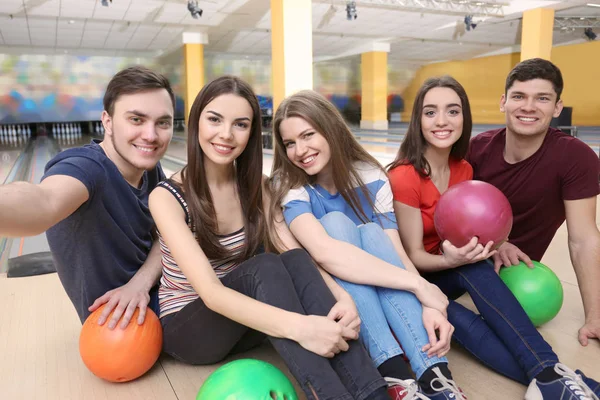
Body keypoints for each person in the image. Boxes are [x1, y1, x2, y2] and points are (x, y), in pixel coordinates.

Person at [148, 75, 393, 400]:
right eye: (214, 119)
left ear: (251, 132)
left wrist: (341, 298)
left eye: (240, 124)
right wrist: (303, 328)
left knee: (287, 258)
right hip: (192, 328)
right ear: (196, 123)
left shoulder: (257, 186)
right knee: (263, 267)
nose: (226, 134)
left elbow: (295, 254)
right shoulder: (166, 197)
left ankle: (372, 392)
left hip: (248, 322)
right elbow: (211, 294)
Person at [388, 75, 599, 399]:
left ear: (464, 118)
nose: (442, 121)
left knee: (477, 268)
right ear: (418, 120)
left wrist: (498, 243)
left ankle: (549, 375)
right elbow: (413, 255)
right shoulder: (405, 175)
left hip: (447, 269)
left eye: (452, 111)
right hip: (409, 279)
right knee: (456, 312)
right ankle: (563, 377)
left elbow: (473, 225)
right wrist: (450, 259)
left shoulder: (464, 170)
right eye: (430, 112)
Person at [268, 89, 467, 400]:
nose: (300, 150)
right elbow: (323, 253)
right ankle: (395, 375)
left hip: (372, 289)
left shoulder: (370, 175)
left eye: (308, 135)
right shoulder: (288, 184)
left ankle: (436, 375)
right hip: (328, 295)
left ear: (330, 130)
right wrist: (418, 286)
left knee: (374, 233)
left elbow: (393, 250)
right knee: (335, 223)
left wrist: (428, 300)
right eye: (290, 143)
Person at [0, 66, 174, 329]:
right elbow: (43, 202)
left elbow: (167, 235)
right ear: (107, 121)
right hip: (126, 322)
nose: (151, 135)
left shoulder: (149, 168)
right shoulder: (88, 169)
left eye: (162, 122)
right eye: (136, 120)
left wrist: (140, 283)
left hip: (156, 292)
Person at [466, 58, 600, 348]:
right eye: (519, 96)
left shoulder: (575, 158)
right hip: (463, 258)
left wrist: (595, 316)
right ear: (504, 102)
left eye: (542, 98)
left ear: (557, 107)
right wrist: (499, 242)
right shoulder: (475, 149)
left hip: (517, 273)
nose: (528, 107)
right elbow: (450, 216)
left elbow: (583, 239)